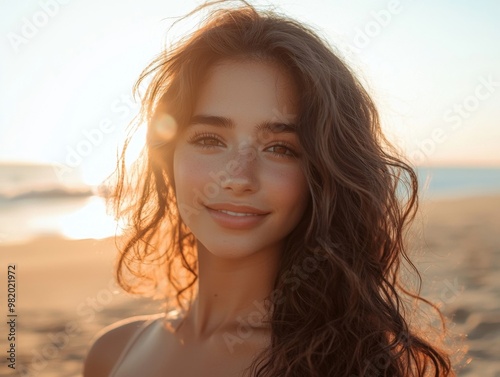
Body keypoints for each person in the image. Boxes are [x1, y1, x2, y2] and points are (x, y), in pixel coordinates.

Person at [83, 2, 457, 376]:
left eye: (280, 148)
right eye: (210, 139)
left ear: (322, 175)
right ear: (167, 157)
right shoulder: (111, 352)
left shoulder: (346, 365)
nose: (238, 177)